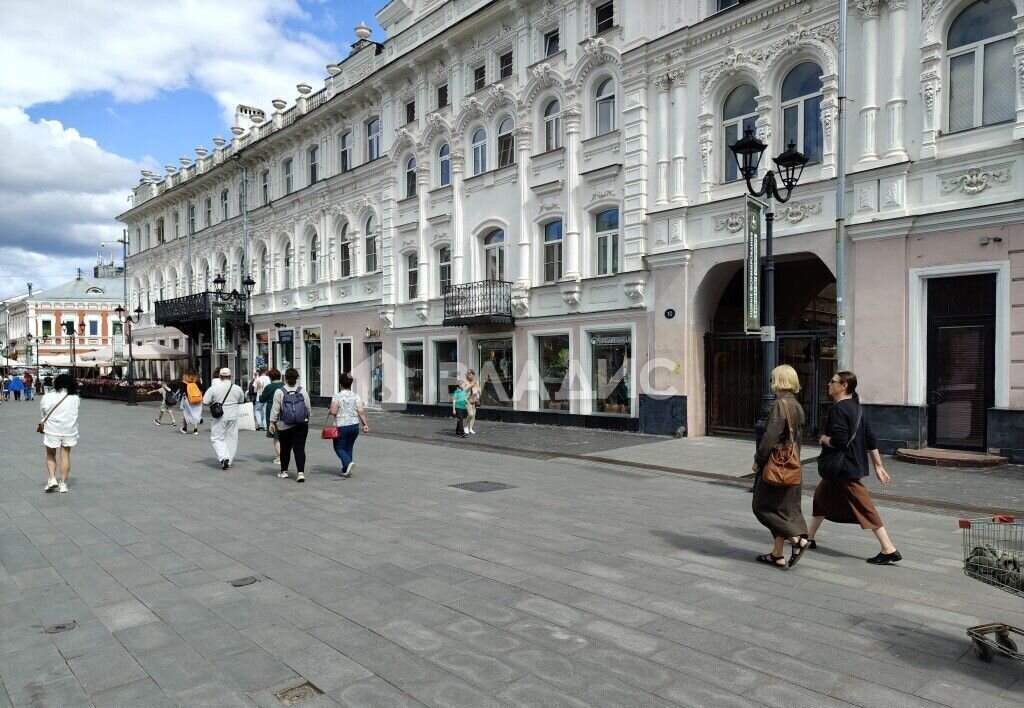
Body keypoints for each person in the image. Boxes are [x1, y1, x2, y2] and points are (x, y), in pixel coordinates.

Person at [809, 371, 901, 565]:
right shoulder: (858, 408)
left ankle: (888, 548)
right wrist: (878, 465)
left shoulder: (838, 409)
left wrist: (824, 439)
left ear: (844, 386)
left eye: (832, 381)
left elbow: (841, 441)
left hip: (844, 468)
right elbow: (871, 439)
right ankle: (808, 538)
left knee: (865, 507)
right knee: (821, 498)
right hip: (844, 467)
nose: (828, 384)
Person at [751, 364, 810, 570]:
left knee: (761, 506)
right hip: (792, 466)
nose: (771, 383)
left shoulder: (780, 404)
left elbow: (770, 437)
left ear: (779, 381)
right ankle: (777, 554)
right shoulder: (796, 404)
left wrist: (758, 460)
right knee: (782, 510)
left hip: (776, 467)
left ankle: (796, 540)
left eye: (772, 379)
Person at [41, 374, 80, 493]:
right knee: (65, 456)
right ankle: (63, 484)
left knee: (50, 454)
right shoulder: (75, 398)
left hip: (52, 429)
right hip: (69, 430)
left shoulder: (48, 397)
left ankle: (52, 478)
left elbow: (43, 412)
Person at [269, 368, 310, 482]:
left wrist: (272, 422)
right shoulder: (302, 391)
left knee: (285, 448)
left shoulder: (280, 391)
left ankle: (284, 472)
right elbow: (308, 407)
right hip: (301, 425)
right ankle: (300, 473)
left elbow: (275, 409)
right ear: (296, 379)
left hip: (285, 425)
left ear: (285, 378)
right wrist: (306, 417)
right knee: (300, 448)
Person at [328, 371, 369, 477]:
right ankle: (346, 469)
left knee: (339, 448)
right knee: (349, 447)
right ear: (350, 383)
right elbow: (361, 411)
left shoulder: (337, 396)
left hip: (341, 426)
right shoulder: (356, 396)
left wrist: (330, 409)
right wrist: (365, 424)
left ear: (340, 383)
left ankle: (348, 463)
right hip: (354, 426)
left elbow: (334, 411)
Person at [203, 367, 246, 470]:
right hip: (234, 415)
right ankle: (229, 460)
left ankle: (224, 457)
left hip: (220, 415)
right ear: (230, 377)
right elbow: (241, 400)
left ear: (220, 376)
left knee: (217, 437)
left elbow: (205, 401)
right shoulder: (237, 388)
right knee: (232, 437)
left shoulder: (214, 388)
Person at [259, 368, 284, 464]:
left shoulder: (269, 387)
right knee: (283, 435)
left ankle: (280, 457)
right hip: (284, 411)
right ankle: (281, 455)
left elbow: (262, 399)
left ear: (270, 377)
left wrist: (260, 390)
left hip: (272, 410)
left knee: (276, 435)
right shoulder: (284, 385)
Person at [180, 370, 204, 435]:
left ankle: (184, 428)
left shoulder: (184, 383)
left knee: (186, 413)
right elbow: (202, 390)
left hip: (188, 401)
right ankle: (195, 430)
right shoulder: (197, 382)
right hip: (197, 400)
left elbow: (182, 392)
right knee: (195, 413)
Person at [462, 370, 481, 435]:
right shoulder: (464, 381)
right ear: (467, 375)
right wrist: (471, 385)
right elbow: (464, 390)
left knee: (473, 416)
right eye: (470, 375)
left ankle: (471, 428)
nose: (471, 376)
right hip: (467, 400)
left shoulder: (475, 381)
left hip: (474, 400)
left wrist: (477, 387)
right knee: (470, 414)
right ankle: (465, 426)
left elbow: (479, 390)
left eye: (472, 375)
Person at [254, 367, 270, 431]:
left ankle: (259, 424)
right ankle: (265, 426)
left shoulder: (258, 379)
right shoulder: (268, 378)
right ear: (266, 371)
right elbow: (269, 388)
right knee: (265, 411)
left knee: (257, 410)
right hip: (266, 397)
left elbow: (255, 390)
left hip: (259, 397)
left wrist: (259, 390)